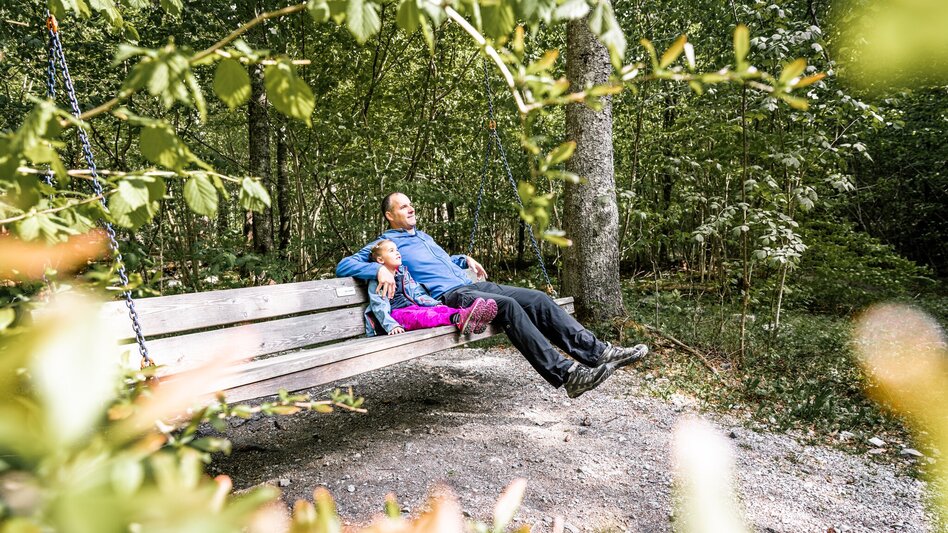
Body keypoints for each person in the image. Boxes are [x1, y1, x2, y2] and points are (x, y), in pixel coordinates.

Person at [337, 192, 649, 398]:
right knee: (509, 308)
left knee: (539, 299)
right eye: (403, 206)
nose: (410, 207)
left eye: (410, 203)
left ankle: (598, 353)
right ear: (390, 216)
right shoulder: (385, 242)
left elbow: (439, 262)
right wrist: (377, 270)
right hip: (451, 297)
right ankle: (568, 375)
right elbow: (343, 265)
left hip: (472, 284)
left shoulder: (422, 237)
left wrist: (462, 260)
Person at [364, 239, 498, 336]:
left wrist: (434, 304)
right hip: (396, 315)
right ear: (380, 260)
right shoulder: (377, 281)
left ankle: (472, 316)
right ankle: (459, 318)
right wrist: (391, 325)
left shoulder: (403, 273)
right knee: (426, 315)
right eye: (391, 251)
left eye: (397, 249)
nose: (397, 252)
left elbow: (416, 293)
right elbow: (378, 305)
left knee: (440, 309)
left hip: (412, 308)